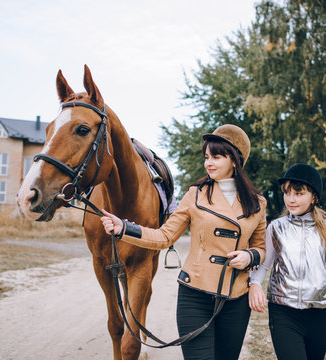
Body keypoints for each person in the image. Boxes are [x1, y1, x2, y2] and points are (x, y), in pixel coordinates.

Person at [100, 124, 267, 360]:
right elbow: (164, 236)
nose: (208, 162)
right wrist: (124, 228)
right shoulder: (195, 195)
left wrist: (249, 257)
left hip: (235, 300)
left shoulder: (257, 203)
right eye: (206, 156)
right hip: (195, 296)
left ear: (235, 160)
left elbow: (261, 248)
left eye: (216, 156)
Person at [248, 163, 326, 360]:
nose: (291, 199)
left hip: (318, 314)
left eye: (298, 193)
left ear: (314, 196)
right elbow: (264, 264)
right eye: (287, 193)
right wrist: (254, 284)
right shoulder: (276, 228)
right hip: (283, 313)